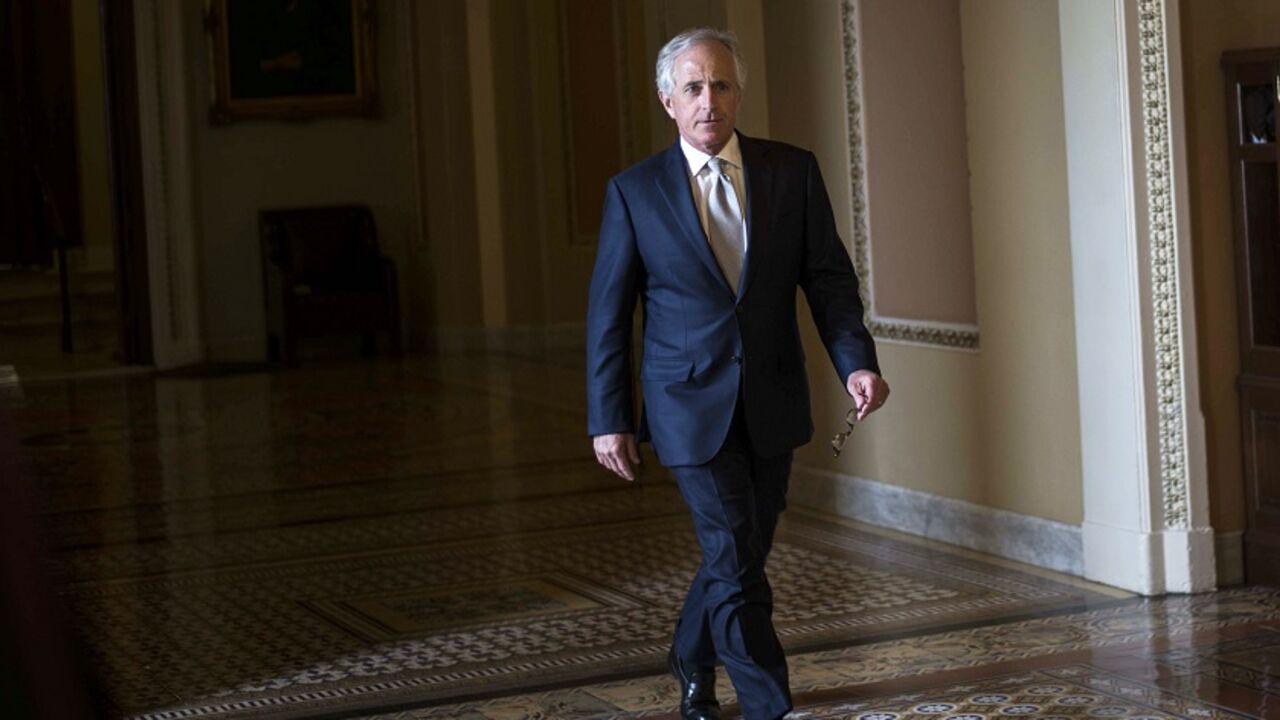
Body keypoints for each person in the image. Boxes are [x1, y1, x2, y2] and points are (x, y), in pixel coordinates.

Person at [585, 27, 890, 720]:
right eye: (692, 87)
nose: (708, 100)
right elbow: (609, 314)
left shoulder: (791, 172)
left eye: (721, 84)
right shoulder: (634, 192)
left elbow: (829, 280)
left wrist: (856, 362)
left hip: (773, 396)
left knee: (740, 553)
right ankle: (767, 706)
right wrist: (609, 418)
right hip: (685, 402)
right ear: (668, 100)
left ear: (739, 92)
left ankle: (692, 651)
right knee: (736, 557)